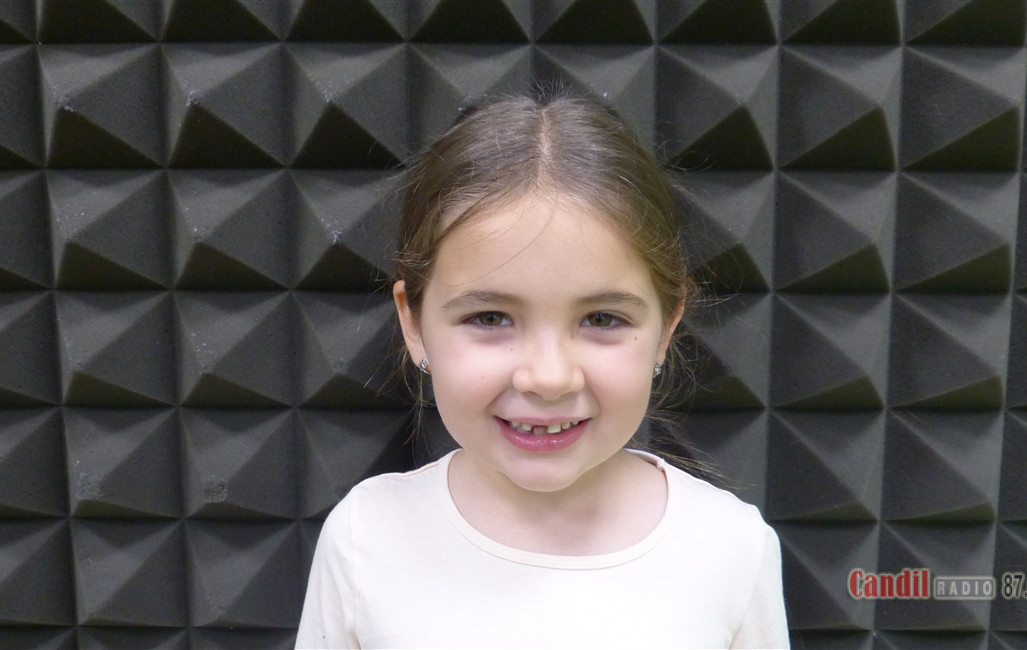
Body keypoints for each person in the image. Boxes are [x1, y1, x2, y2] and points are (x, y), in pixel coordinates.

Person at [295, 92, 789, 649]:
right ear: (413, 323)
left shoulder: (732, 547)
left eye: (602, 318)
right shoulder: (365, 537)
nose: (549, 377)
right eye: (490, 318)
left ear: (666, 328)